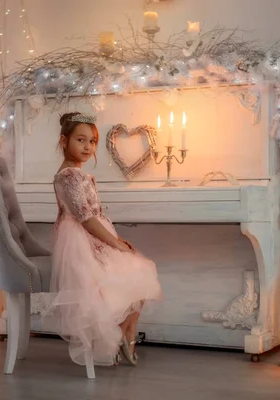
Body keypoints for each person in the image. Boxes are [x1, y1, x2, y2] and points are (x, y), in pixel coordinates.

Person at [48, 112, 162, 367]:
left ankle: (126, 332)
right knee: (132, 272)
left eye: (92, 141)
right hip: (80, 240)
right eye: (81, 140)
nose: (88, 147)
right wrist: (115, 244)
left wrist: (117, 239)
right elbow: (86, 218)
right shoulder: (68, 177)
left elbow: (96, 216)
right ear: (64, 141)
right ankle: (123, 333)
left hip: (93, 233)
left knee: (140, 270)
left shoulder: (77, 173)